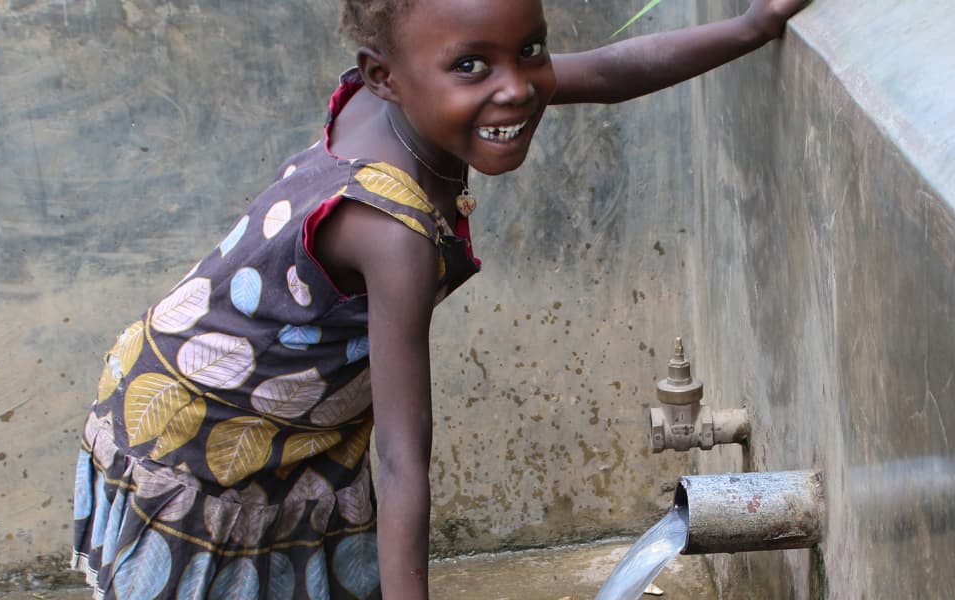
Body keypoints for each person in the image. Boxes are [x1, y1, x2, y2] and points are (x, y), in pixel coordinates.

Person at [72, 0, 806, 597]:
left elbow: (609, 70)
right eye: (471, 66)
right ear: (383, 75)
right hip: (200, 445)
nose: (516, 87)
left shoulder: (399, 98)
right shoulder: (394, 237)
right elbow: (401, 458)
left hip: (217, 390)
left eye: (533, 50)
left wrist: (756, 24)